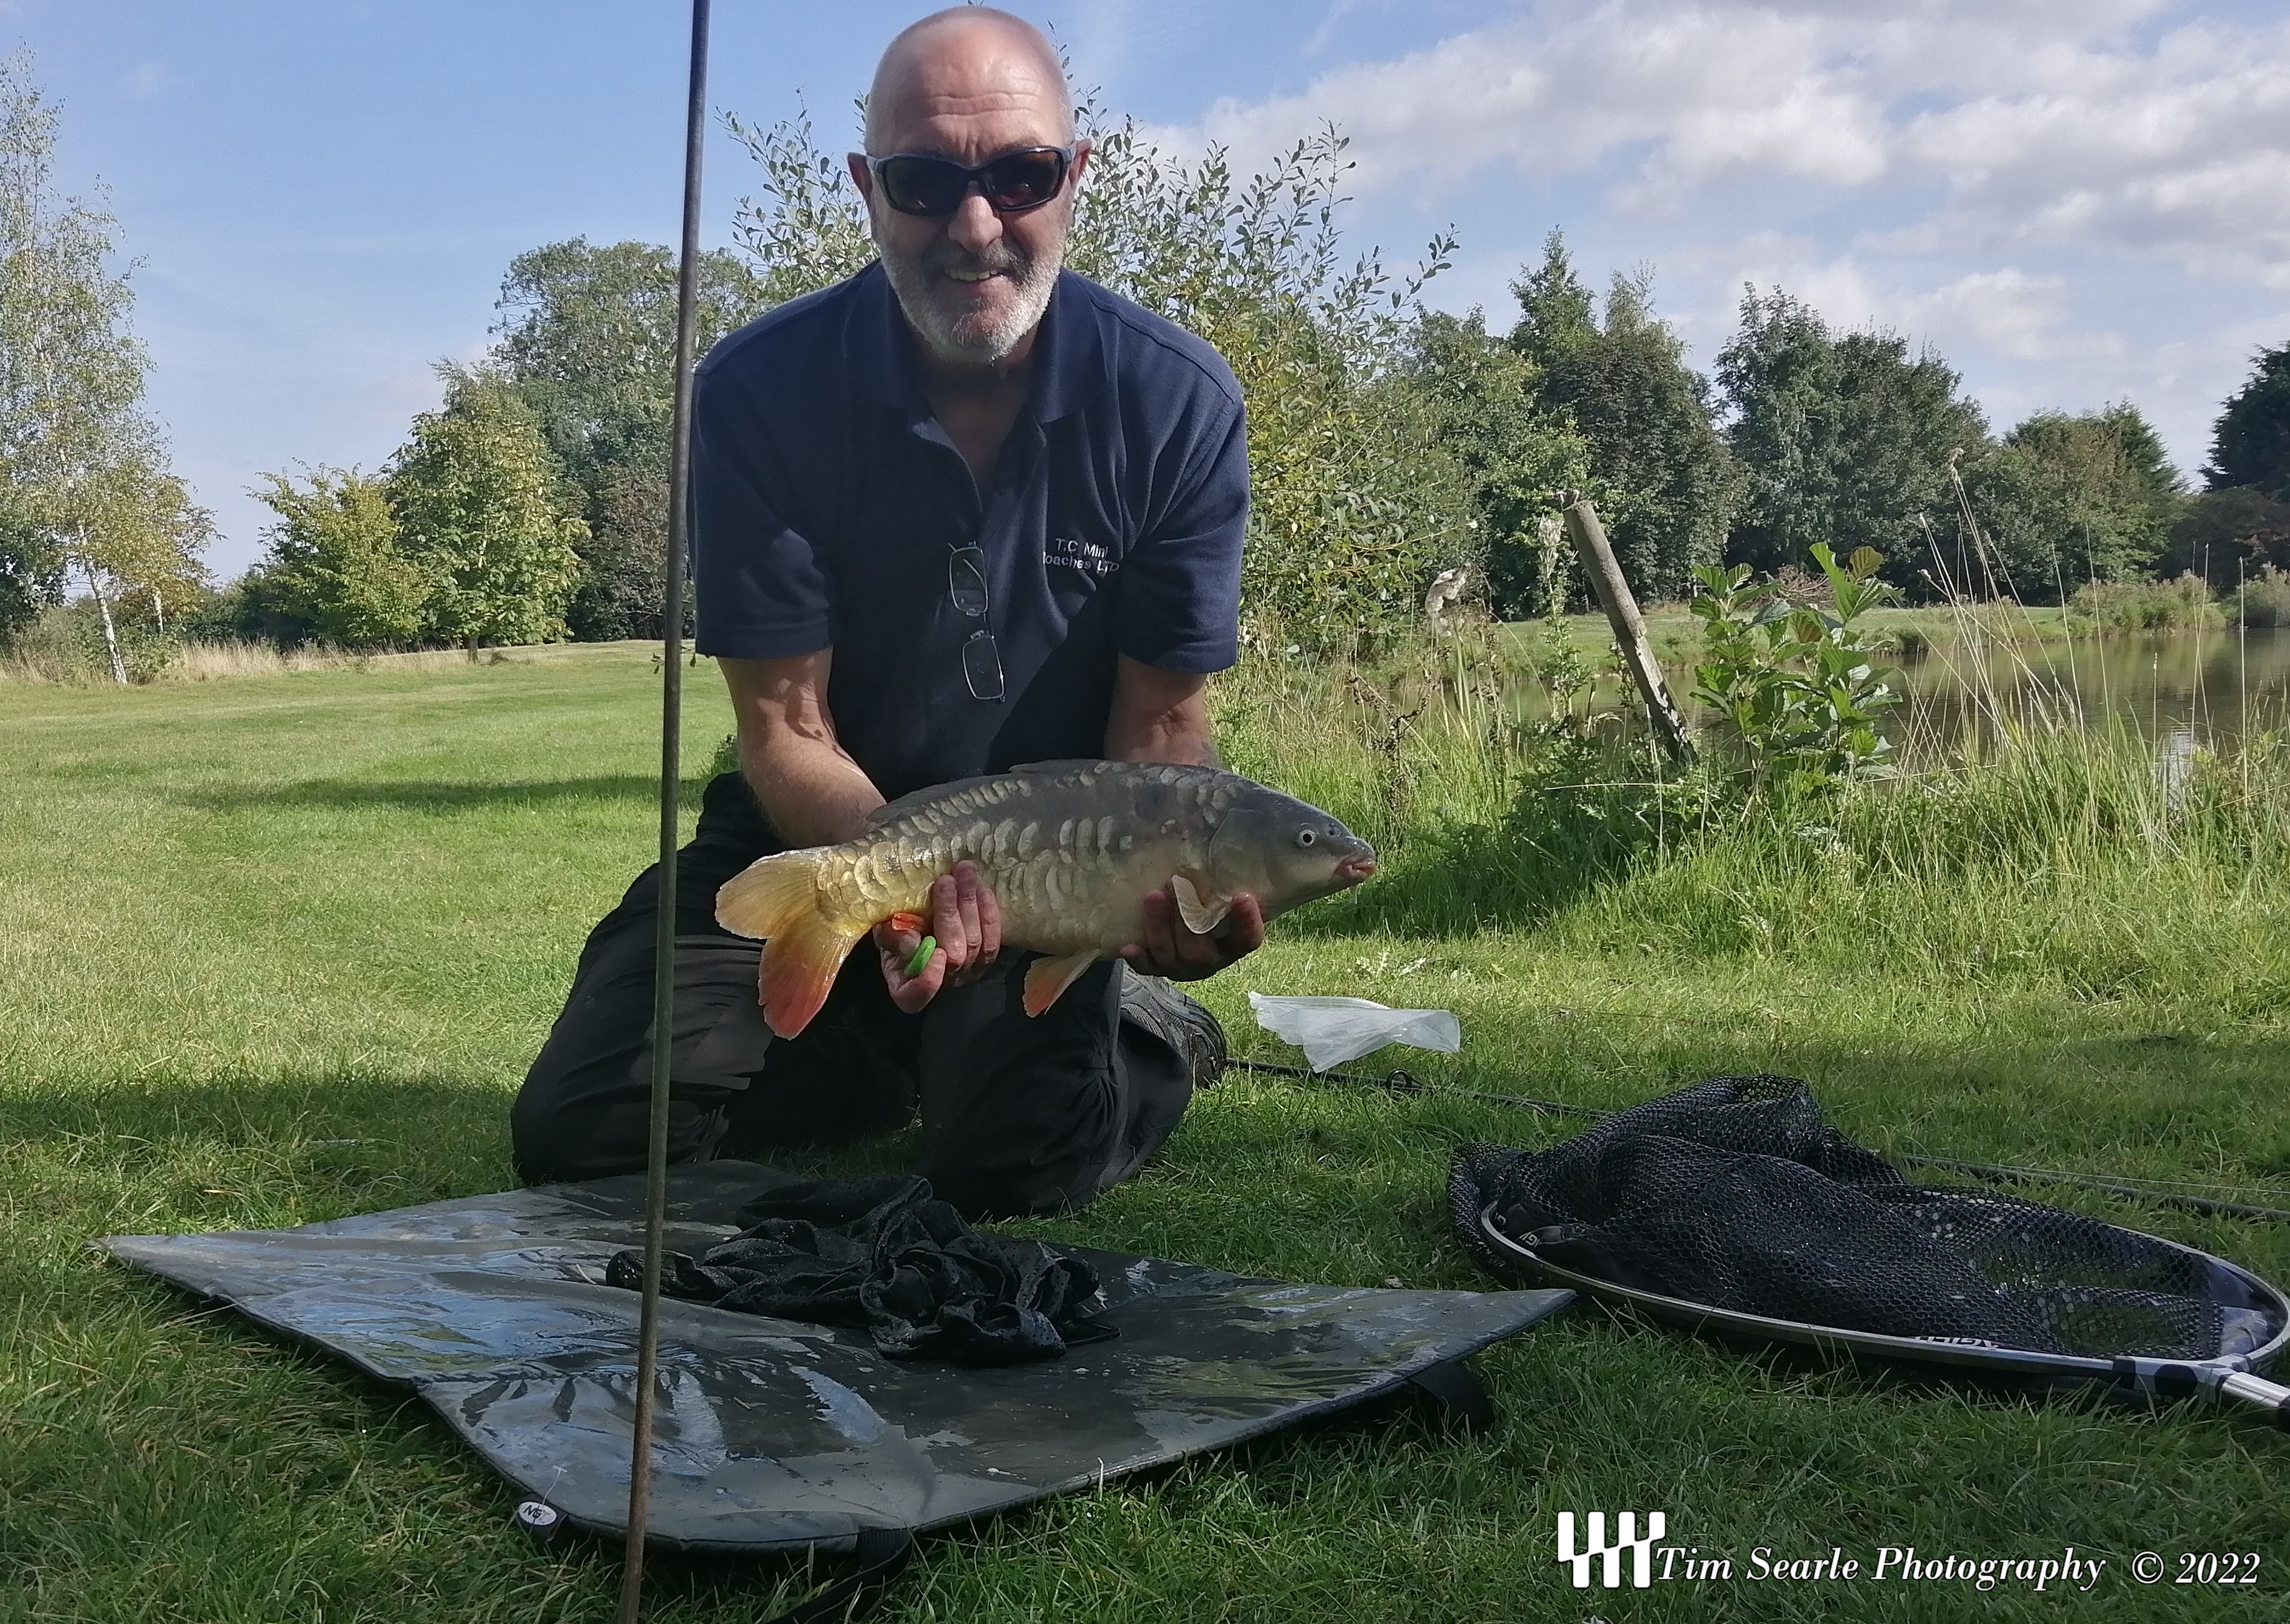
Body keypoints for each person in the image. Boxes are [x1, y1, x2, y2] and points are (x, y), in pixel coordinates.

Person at [510, 7, 1259, 1216]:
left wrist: (1167, 892)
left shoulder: (1177, 402)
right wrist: (903, 887)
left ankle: (1150, 1028)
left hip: (1050, 862)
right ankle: (891, 1036)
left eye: (1020, 175)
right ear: (868, 188)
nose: (976, 225)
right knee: (585, 1132)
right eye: (924, 182)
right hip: (817, 828)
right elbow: (785, 728)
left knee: (1013, 1168)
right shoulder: (756, 392)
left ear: (1075, 176)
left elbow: (1163, 727)